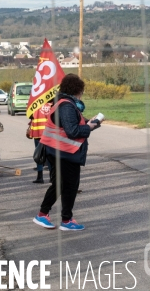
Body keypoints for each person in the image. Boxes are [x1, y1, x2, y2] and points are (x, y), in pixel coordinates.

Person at [33, 74, 101, 231]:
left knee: (67, 186)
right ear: (77, 90)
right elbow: (73, 131)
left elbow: (72, 126)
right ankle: (47, 215)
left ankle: (64, 218)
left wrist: (92, 123)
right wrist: (90, 126)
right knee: (64, 185)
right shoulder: (67, 106)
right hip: (63, 152)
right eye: (82, 91)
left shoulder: (64, 103)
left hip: (63, 152)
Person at [26, 100, 53, 184]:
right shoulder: (53, 104)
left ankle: (40, 177)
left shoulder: (34, 104)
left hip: (38, 132)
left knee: (39, 155)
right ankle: (52, 177)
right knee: (51, 155)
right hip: (50, 133)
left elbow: (29, 115)